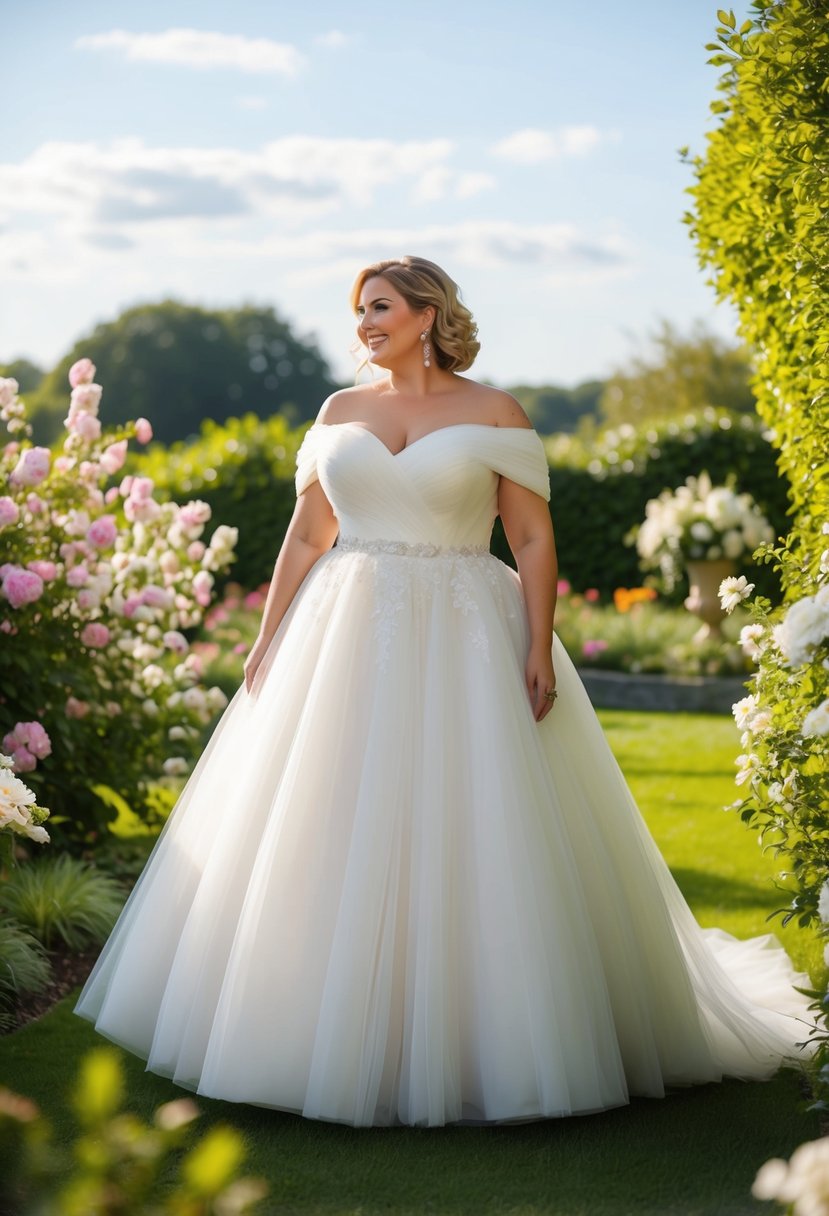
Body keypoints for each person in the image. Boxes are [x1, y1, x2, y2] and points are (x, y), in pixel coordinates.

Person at [76, 255, 813, 1128]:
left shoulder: (494, 411)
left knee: (477, 820)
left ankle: (486, 1035)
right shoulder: (337, 413)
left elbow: (531, 540)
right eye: (359, 312)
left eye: (379, 307)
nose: (365, 325)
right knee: (329, 815)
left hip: (468, 626)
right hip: (344, 631)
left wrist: (537, 646)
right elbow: (307, 534)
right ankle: (307, 1026)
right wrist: (267, 636)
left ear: (427, 315)